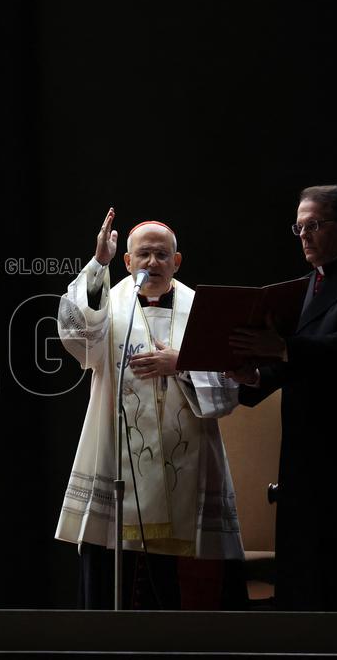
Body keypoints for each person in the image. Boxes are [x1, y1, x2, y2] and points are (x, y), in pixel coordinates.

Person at [56, 208, 245, 610]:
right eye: (143, 254)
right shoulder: (110, 304)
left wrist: (182, 364)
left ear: (177, 261)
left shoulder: (202, 308)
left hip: (191, 461)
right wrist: (98, 264)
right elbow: (78, 335)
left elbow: (229, 389)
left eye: (162, 255)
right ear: (127, 261)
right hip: (117, 460)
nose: (153, 262)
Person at [228, 185, 337, 611]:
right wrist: (251, 376)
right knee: (305, 576)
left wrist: (282, 348)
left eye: (314, 225)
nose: (303, 235)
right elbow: (290, 365)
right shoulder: (304, 287)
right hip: (304, 455)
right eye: (299, 227)